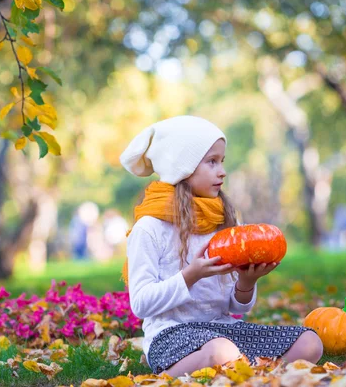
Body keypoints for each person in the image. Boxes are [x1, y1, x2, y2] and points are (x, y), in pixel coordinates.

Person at [120, 115, 323, 377]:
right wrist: (191, 276)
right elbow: (141, 304)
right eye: (211, 162)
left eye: (222, 161)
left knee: (310, 343)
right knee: (222, 353)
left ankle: (239, 371)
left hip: (222, 330)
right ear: (184, 166)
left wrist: (246, 283)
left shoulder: (225, 220)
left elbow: (235, 308)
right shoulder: (150, 228)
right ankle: (212, 368)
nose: (222, 171)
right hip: (171, 336)